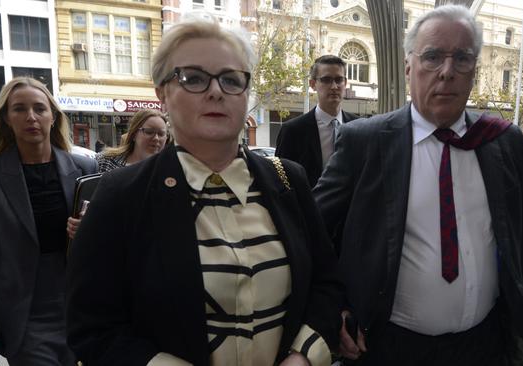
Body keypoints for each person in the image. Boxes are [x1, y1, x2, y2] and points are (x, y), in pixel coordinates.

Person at [66, 17, 343, 366]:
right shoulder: (121, 196)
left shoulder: (289, 181)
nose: (216, 91)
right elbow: (91, 327)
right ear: (162, 94)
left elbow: (326, 285)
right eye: (193, 78)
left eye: (230, 79)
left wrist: (303, 357)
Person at [313, 5, 523, 366]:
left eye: (462, 58)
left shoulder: (503, 142)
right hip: (389, 347)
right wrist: (332, 308)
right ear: (408, 66)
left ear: (475, 70)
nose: (447, 72)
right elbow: (313, 232)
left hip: (485, 347)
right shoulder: (365, 143)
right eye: (432, 57)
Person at [0, 77, 98, 365]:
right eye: (19, 109)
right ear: (6, 119)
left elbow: (105, 243)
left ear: (53, 116)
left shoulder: (85, 168)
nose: (31, 117)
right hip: (24, 314)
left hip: (83, 307)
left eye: (39, 108)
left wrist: (90, 232)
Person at [275, 55, 358, 187]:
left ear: (345, 83)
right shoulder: (292, 131)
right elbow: (281, 182)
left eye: (339, 80)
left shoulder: (359, 128)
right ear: (313, 84)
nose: (334, 86)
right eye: (326, 80)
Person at [95, 109, 168, 173]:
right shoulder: (106, 162)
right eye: (149, 132)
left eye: (161, 134)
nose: (156, 138)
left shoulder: (169, 168)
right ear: (134, 134)